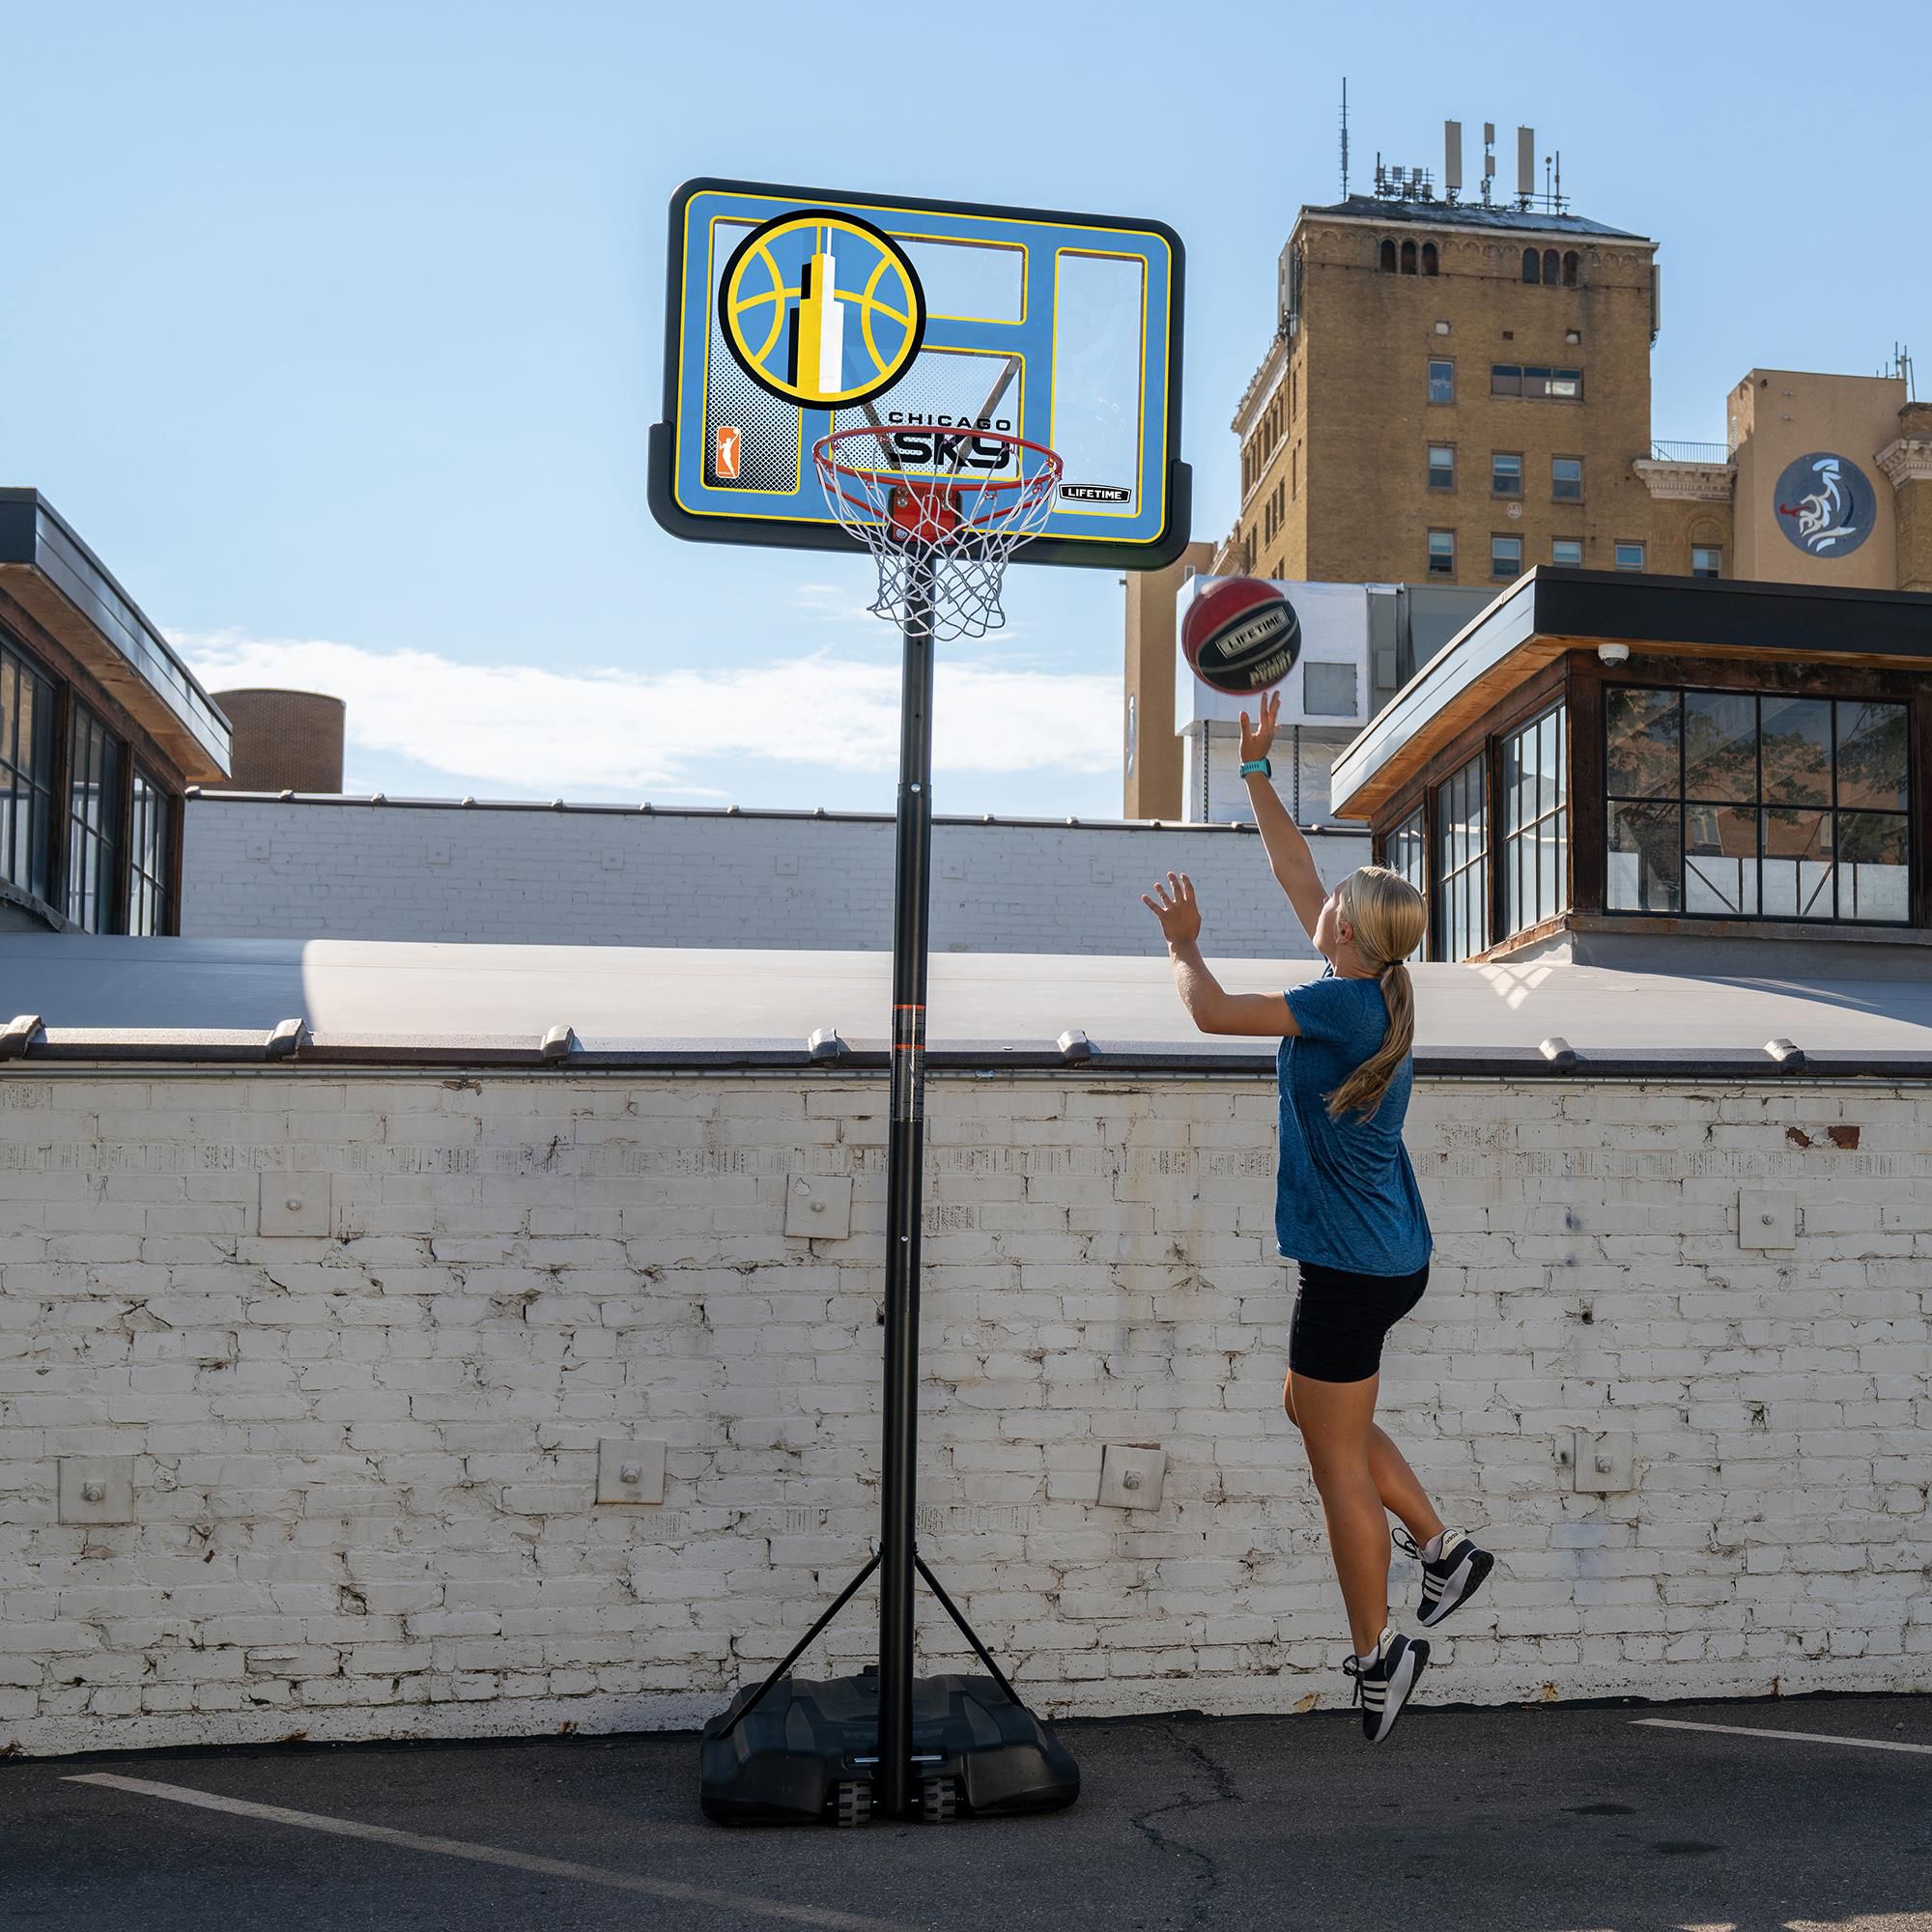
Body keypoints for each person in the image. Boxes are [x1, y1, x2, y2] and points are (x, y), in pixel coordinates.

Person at [1141, 690, 1493, 1744]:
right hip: (1382, 1258)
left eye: (1334, 901)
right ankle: (1442, 1549)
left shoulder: (1340, 1002)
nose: (1320, 900)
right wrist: (1255, 770)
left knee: (1334, 1464)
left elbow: (1211, 1012)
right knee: (1310, 1408)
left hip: (1349, 1270)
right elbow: (1298, 867)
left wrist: (1183, 944)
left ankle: (1379, 1655)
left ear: (1347, 929)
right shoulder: (1365, 984)